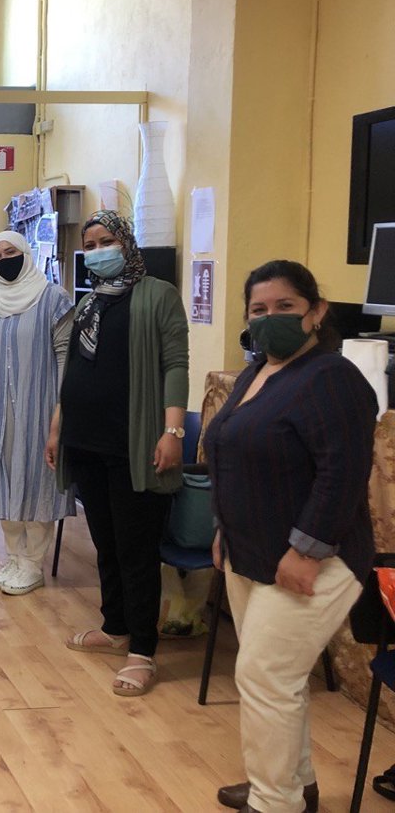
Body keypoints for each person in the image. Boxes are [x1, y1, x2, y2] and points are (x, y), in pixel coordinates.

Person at [206, 260, 376, 813]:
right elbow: (234, 455)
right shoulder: (257, 372)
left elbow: (342, 473)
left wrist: (306, 550)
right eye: (258, 310)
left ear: (316, 311)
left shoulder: (333, 378)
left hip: (315, 558)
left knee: (265, 676)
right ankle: (295, 785)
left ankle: (274, 802)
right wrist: (223, 528)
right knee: (280, 679)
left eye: (285, 307)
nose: (270, 318)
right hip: (250, 550)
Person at [45, 211, 188, 697]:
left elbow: (175, 365)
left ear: (127, 243)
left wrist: (172, 430)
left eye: (107, 240)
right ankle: (116, 628)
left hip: (134, 443)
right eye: (90, 244)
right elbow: (73, 370)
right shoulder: (90, 302)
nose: (98, 250)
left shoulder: (158, 295)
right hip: (86, 440)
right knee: (106, 543)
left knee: (136, 549)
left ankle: (142, 651)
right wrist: (57, 427)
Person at [0, 231, 74, 596]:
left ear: (26, 254)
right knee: (3, 478)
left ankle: (33, 563)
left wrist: (60, 412)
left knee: (35, 480)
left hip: (41, 410)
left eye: (10, 252)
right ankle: (14, 557)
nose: (4, 260)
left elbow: (65, 356)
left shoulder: (52, 299)